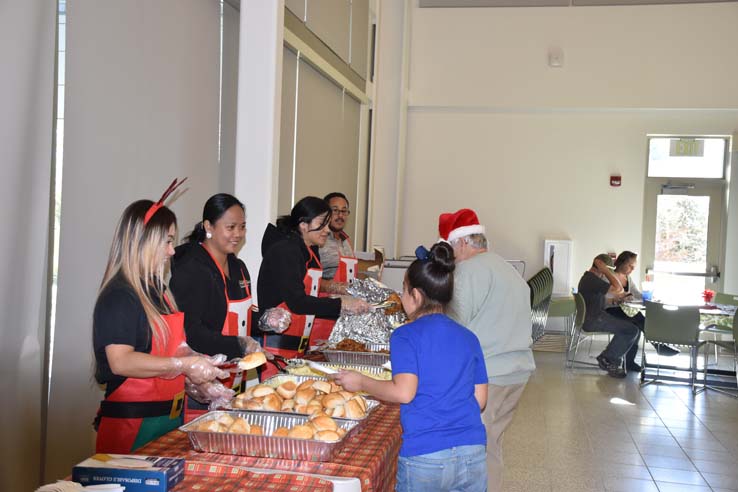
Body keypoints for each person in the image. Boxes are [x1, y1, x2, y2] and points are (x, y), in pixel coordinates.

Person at [334, 242, 488, 492]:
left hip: (426, 454)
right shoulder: (469, 337)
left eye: (403, 290)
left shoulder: (406, 335)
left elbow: (404, 392)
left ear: (415, 295)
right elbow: (480, 399)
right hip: (472, 452)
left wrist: (361, 382)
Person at [93, 187, 228, 453]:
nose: (172, 251)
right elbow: (121, 361)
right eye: (166, 241)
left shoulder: (160, 293)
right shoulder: (120, 296)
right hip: (132, 427)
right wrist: (183, 365)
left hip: (168, 421)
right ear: (143, 242)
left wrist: (196, 370)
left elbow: (171, 347)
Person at [440, 208, 536, 492]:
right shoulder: (505, 268)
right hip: (516, 373)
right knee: (490, 445)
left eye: (450, 247)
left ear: (462, 243)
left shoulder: (468, 271)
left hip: (487, 377)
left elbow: (453, 329)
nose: (451, 255)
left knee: (474, 452)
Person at [170, 194, 278, 419]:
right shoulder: (192, 267)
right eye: (230, 227)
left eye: (242, 227)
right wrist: (240, 344)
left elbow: (239, 320)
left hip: (236, 381)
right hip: (203, 386)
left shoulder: (238, 267)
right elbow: (190, 331)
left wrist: (266, 321)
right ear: (208, 226)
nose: (238, 234)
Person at [256, 196, 370, 378]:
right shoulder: (286, 251)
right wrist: (342, 304)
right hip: (278, 345)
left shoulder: (308, 250)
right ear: (303, 224)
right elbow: (297, 302)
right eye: (322, 224)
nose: (326, 230)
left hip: (300, 342)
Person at [578, 254, 641, 377]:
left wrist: (614, 301)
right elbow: (619, 289)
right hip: (595, 319)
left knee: (631, 326)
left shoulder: (588, 279)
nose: (607, 275)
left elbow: (595, 300)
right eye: (607, 271)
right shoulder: (592, 279)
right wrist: (606, 271)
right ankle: (608, 359)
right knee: (631, 330)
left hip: (595, 317)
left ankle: (610, 358)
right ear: (600, 268)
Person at [606, 250, 678, 357]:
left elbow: (637, 294)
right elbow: (606, 296)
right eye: (630, 266)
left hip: (623, 310)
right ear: (622, 262)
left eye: (634, 266)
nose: (633, 269)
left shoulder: (627, 278)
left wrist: (651, 298)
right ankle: (658, 344)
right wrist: (621, 297)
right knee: (638, 318)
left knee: (637, 326)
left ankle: (630, 362)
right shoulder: (610, 276)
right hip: (610, 310)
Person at [311, 192, 359, 345]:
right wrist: (335, 286)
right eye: (335, 210)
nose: (340, 215)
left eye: (344, 211)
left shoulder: (346, 240)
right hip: (322, 315)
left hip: (345, 316)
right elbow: (308, 279)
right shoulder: (318, 241)